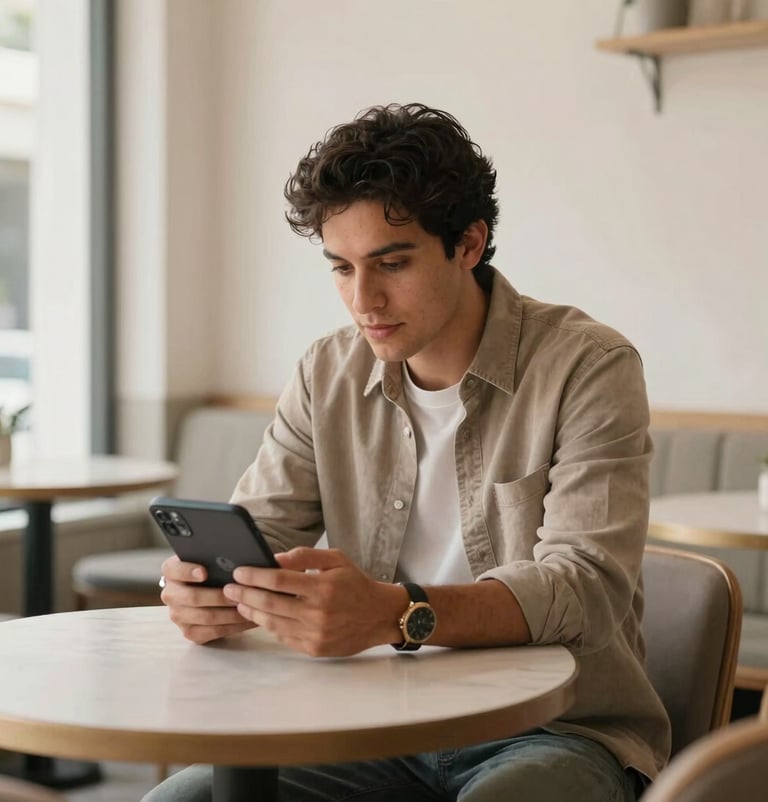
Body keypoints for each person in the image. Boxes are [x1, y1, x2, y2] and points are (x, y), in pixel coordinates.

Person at [145, 103, 669, 802]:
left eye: (392, 263)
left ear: (470, 243)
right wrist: (208, 589)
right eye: (341, 268)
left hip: (554, 729)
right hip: (372, 725)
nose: (363, 300)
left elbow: (585, 585)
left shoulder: (588, 365)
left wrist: (395, 612)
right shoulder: (325, 373)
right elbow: (259, 532)